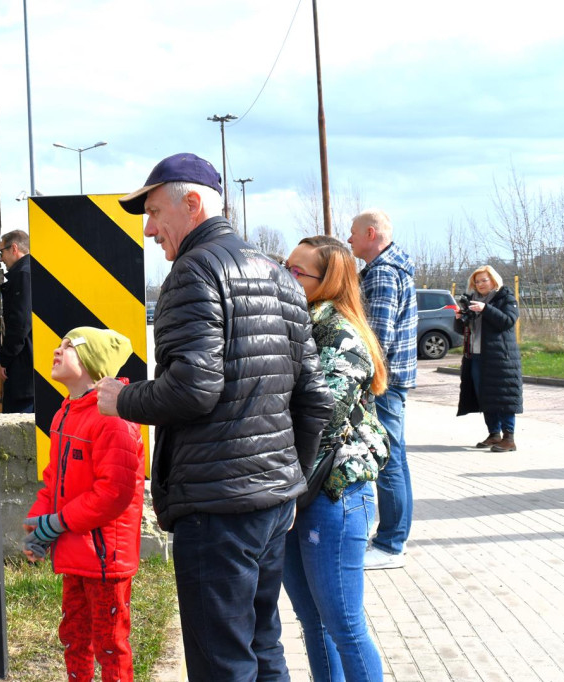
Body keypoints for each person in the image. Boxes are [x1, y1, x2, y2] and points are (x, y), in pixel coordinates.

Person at [96, 152, 333, 681]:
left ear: (193, 203)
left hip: (218, 504)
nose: (150, 229)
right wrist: (293, 483)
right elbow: (314, 398)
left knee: (221, 661)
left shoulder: (193, 270)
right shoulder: (281, 276)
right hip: (271, 504)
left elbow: (193, 391)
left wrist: (121, 400)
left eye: (155, 212)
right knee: (262, 644)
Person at [281, 235, 390, 681]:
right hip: (295, 491)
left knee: (344, 625)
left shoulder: (339, 334)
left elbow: (322, 419)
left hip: (333, 495)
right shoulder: (297, 325)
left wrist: (280, 485)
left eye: (296, 272)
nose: (284, 277)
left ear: (328, 282)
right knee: (312, 623)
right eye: (284, 267)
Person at [22, 326, 145, 682]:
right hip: (76, 551)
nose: (58, 351)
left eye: (69, 346)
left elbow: (113, 494)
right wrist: (37, 522)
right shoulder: (65, 414)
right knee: (74, 637)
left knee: (109, 644)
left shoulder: (113, 418)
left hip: (105, 557)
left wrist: (55, 523)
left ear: (92, 363)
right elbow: (53, 481)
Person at [347, 208, 417, 571]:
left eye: (354, 233)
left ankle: (390, 544)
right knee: (396, 458)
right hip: (393, 380)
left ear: (371, 233)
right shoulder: (389, 269)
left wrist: (361, 380)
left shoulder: (384, 275)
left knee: (387, 459)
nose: (349, 239)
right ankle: (394, 537)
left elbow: (377, 338)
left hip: (383, 382)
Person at [454, 265, 523, 451]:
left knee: (504, 396)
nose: (480, 284)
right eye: (477, 281)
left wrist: (486, 309)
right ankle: (494, 434)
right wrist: (460, 318)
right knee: (484, 396)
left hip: (500, 357)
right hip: (476, 356)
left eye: (484, 280)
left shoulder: (505, 297)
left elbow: (508, 321)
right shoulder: (472, 300)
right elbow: (462, 330)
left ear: (494, 280)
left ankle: (509, 438)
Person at [0, 230, 34, 413]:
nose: (1, 259)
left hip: (22, 371)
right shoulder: (30, 271)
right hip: (29, 369)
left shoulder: (23, 275)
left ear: (14, 248)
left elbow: (20, 322)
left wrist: (5, 359)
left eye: (1, 252)